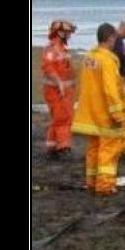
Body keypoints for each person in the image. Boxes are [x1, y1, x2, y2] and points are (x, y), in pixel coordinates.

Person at [71, 19, 125, 197]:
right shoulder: (107, 61)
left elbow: (86, 86)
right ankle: (105, 185)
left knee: (93, 148)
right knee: (109, 150)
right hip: (105, 114)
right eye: (114, 38)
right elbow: (110, 89)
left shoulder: (89, 58)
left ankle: (92, 182)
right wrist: (118, 113)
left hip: (91, 113)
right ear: (109, 38)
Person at [41, 20, 76, 152]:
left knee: (59, 117)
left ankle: (52, 144)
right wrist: (59, 83)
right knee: (63, 118)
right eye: (67, 32)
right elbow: (47, 67)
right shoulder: (52, 48)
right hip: (55, 90)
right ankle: (63, 145)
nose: (69, 35)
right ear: (59, 32)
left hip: (65, 90)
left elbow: (66, 68)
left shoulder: (63, 47)